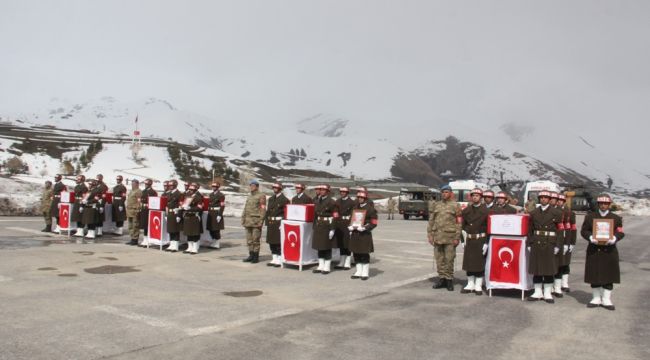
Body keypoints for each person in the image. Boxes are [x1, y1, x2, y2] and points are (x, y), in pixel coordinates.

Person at [581, 194, 624, 310]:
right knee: (594, 273)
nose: (603, 205)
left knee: (609, 274)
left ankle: (606, 299)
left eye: (606, 203)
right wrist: (590, 237)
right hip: (594, 249)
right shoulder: (590, 217)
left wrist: (614, 238)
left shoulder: (616, 218)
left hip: (609, 250)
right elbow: (584, 231)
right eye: (601, 203)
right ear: (598, 204)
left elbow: (620, 232)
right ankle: (595, 298)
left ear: (609, 204)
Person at [526, 191, 563, 303]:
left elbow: (560, 231)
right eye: (541, 197)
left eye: (546, 198)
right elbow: (530, 230)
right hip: (537, 242)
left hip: (549, 243)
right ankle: (537, 292)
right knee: (536, 269)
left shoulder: (556, 212)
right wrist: (529, 243)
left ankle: (547, 293)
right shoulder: (534, 213)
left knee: (548, 269)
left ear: (549, 199)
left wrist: (558, 245)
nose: (543, 199)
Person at [428, 184, 462, 291]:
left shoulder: (456, 206)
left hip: (450, 237)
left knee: (449, 259)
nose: (444, 194)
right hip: (438, 237)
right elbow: (431, 220)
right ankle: (441, 279)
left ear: (450, 193)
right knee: (439, 259)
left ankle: (449, 280)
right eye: (443, 192)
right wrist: (430, 234)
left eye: (446, 192)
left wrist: (457, 237)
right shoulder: (436, 205)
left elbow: (459, 223)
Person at [460, 188, 489, 295]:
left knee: (479, 263)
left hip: (480, 239)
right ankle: (470, 284)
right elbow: (462, 227)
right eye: (473, 195)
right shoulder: (466, 211)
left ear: (481, 198)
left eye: (477, 195)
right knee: (469, 263)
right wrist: (462, 241)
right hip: (470, 239)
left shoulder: (486, 211)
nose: (475, 197)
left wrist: (486, 242)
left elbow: (489, 228)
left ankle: (478, 285)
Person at [348, 190, 377, 280]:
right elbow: (351, 219)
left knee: (364, 253)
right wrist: (350, 226)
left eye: (362, 198)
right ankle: (358, 271)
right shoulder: (355, 208)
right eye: (359, 197)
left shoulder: (370, 209)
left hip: (364, 234)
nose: (360, 199)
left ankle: (365, 272)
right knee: (356, 252)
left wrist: (365, 227)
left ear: (365, 198)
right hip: (355, 233)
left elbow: (374, 222)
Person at [312, 184, 338, 275]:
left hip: (327, 226)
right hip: (319, 225)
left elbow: (335, 216)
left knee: (326, 247)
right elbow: (315, 215)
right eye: (321, 190)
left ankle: (327, 266)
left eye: (324, 190)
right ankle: (320, 265)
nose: (322, 191)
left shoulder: (332, 202)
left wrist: (332, 229)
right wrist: (314, 226)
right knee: (319, 247)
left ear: (327, 192)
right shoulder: (317, 201)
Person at [241, 179, 266, 263]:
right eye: (250, 186)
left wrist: (261, 221)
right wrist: (243, 218)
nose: (251, 187)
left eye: (253, 186)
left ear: (257, 187)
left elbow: (263, 209)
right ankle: (251, 255)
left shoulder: (261, 196)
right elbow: (245, 208)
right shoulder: (249, 196)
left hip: (256, 222)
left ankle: (256, 257)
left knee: (256, 240)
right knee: (249, 240)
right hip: (248, 221)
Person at [264, 183, 289, 267]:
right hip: (271, 222)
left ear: (280, 189)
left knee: (278, 242)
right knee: (271, 241)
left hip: (278, 223)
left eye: (276, 188)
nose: (274, 189)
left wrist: (283, 223)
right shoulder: (271, 199)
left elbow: (286, 213)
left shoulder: (284, 199)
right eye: (274, 188)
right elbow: (268, 211)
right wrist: (266, 222)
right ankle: (274, 258)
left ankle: (280, 258)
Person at [558, 193, 577, 293]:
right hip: (557, 240)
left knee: (565, 262)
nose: (559, 202)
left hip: (567, 240)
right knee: (556, 263)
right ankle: (556, 283)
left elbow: (573, 229)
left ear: (564, 202)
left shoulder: (570, 213)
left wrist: (572, 242)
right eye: (558, 200)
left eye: (561, 200)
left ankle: (564, 283)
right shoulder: (554, 211)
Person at [334, 187, 355, 270]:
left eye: (344, 192)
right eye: (341, 192)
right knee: (341, 243)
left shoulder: (352, 202)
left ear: (347, 192)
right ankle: (342, 261)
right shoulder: (338, 201)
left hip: (347, 223)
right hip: (340, 223)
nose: (342, 193)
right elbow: (335, 212)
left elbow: (353, 214)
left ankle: (347, 262)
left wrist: (351, 225)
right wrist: (336, 220)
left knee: (347, 244)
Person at [182, 183, 204, 255]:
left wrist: (191, 208)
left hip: (194, 216)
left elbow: (200, 208)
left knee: (194, 233)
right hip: (187, 215)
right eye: (190, 189)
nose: (190, 191)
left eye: (192, 190)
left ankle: (194, 248)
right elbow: (184, 203)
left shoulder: (199, 197)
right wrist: (182, 207)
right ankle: (189, 247)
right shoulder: (187, 196)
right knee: (188, 232)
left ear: (195, 190)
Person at [206, 182, 226, 249]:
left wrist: (219, 215)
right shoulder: (211, 194)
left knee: (216, 229)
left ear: (217, 187)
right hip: (211, 212)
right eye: (213, 186)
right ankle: (213, 241)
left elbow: (222, 205)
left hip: (216, 213)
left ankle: (217, 243)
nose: (213, 187)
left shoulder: (221, 195)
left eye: (215, 186)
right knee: (210, 228)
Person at [164, 180, 183, 252]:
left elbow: (180, 205)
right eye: (169, 185)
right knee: (170, 230)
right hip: (170, 213)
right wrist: (166, 214)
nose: (170, 187)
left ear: (175, 185)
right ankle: (171, 244)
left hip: (175, 213)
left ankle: (175, 246)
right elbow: (167, 204)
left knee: (175, 230)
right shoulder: (168, 193)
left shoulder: (179, 194)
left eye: (171, 185)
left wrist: (179, 215)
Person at [138, 178, 158, 244]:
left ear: (150, 184)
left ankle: (149, 239)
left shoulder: (153, 192)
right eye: (145, 184)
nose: (145, 185)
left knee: (148, 225)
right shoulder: (143, 191)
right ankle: (145, 239)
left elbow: (154, 202)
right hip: (143, 209)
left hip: (149, 210)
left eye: (147, 184)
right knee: (144, 224)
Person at [125, 180, 142, 245]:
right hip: (129, 211)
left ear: (137, 184)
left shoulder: (138, 191)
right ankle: (132, 238)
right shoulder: (131, 191)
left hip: (134, 210)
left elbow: (139, 202)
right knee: (130, 225)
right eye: (132, 184)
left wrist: (138, 210)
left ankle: (135, 239)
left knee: (135, 225)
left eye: (134, 184)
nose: (132, 185)